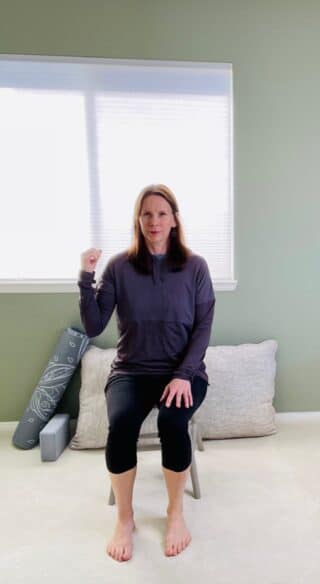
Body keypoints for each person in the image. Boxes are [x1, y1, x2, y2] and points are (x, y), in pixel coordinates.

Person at [77, 184, 215, 562]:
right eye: (147, 213)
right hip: (132, 371)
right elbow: (93, 325)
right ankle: (124, 519)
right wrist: (86, 279)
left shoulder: (195, 266)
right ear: (138, 220)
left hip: (183, 372)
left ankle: (175, 513)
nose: (154, 221)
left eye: (162, 214)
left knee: (173, 423)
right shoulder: (120, 266)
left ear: (174, 220)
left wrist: (185, 373)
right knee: (121, 424)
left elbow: (203, 327)